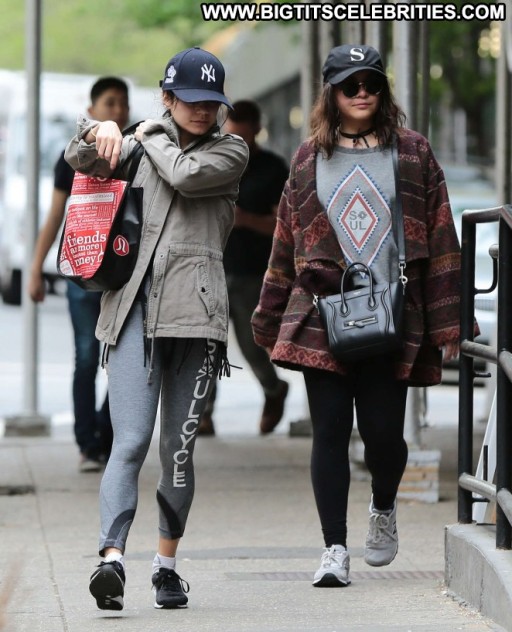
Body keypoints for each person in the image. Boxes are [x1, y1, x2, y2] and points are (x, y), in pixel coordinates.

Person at [251, 44, 461, 588]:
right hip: (322, 312)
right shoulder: (307, 158)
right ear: (332, 93)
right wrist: (269, 316)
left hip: (392, 314)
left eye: (371, 83)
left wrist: (450, 322)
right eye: (350, 85)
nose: (362, 92)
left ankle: (383, 506)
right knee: (329, 431)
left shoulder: (411, 152)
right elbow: (285, 240)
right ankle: (334, 549)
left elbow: (442, 234)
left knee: (384, 436)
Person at [65, 47, 248, 611]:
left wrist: (144, 134)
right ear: (167, 97)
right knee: (129, 442)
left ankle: (166, 567)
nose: (201, 110)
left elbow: (186, 176)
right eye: (189, 100)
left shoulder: (230, 150)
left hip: (197, 321)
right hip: (132, 315)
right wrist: (97, 130)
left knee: (178, 451)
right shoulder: (139, 142)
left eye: (210, 101)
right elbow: (79, 161)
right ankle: (111, 559)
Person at [29, 77, 130, 472]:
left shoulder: (135, 152)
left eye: (123, 103)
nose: (118, 110)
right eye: (110, 102)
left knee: (122, 362)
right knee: (87, 358)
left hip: (123, 275)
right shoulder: (71, 158)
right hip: (82, 269)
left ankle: (106, 435)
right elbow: (55, 216)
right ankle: (88, 445)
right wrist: (36, 269)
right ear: (92, 111)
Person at [198, 100, 289, 436]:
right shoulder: (215, 161)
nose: (236, 144)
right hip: (212, 266)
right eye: (230, 136)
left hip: (253, 270)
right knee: (206, 342)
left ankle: (273, 389)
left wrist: (246, 219)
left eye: (242, 137)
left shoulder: (273, 169)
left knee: (252, 344)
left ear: (256, 131)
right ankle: (203, 412)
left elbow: (285, 226)